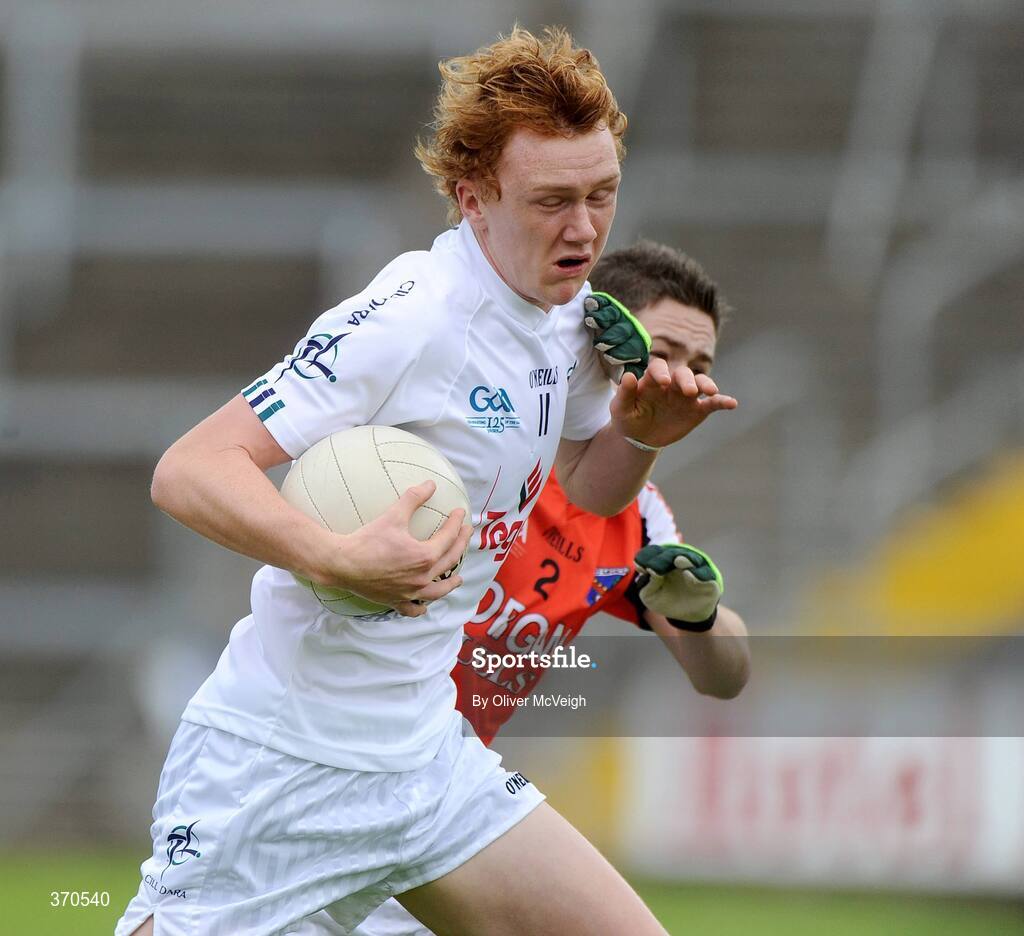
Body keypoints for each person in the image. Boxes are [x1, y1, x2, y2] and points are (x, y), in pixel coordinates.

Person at [117, 28, 737, 936]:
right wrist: (334, 554)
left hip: (425, 756)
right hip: (284, 765)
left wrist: (640, 436)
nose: (584, 229)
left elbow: (586, 487)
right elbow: (190, 469)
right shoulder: (411, 317)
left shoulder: (567, 322)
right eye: (552, 200)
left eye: (603, 195)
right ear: (472, 197)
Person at [349, 240, 750, 936]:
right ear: (600, 333)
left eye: (703, 367)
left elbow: (724, 675)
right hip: (345, 745)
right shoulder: (484, 432)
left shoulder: (639, 517)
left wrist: (699, 617)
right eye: (664, 353)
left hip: (444, 793)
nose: (683, 381)